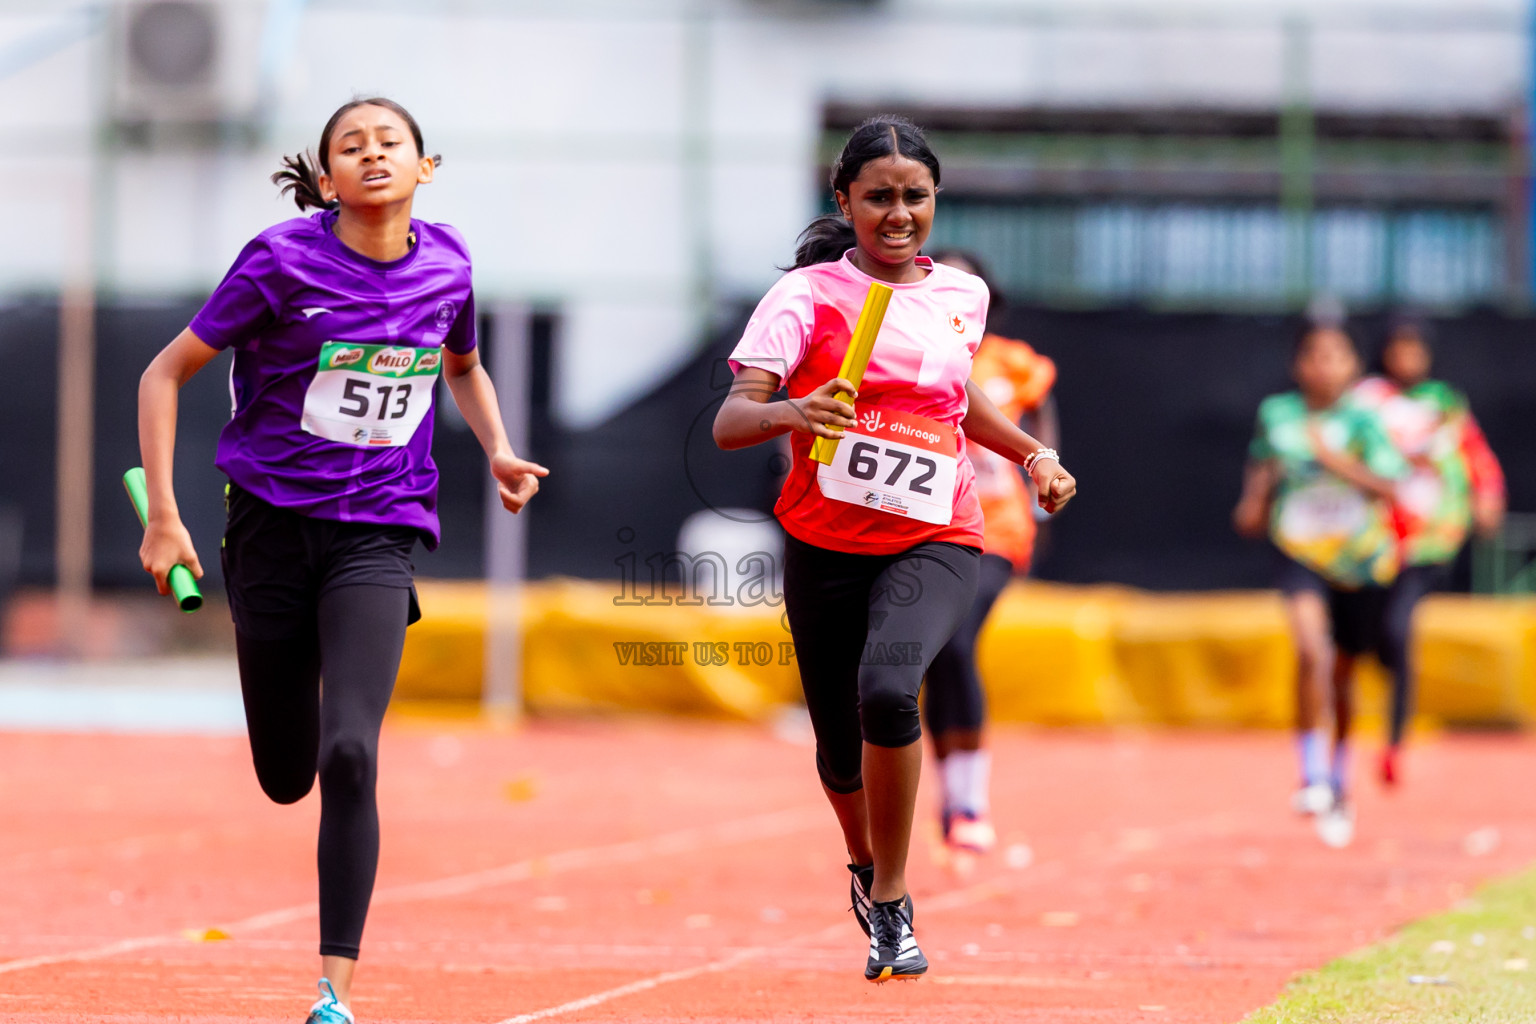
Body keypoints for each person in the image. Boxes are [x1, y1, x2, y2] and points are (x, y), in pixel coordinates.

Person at [135, 97, 547, 1024]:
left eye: (389, 142)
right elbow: (163, 372)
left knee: (352, 753)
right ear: (327, 181)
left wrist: (497, 448)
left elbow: (461, 366)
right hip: (271, 527)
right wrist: (164, 516)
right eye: (350, 147)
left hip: (379, 528)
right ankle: (298, 692)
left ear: (425, 166)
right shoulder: (279, 262)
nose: (372, 154)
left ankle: (336, 990)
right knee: (288, 775)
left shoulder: (449, 263)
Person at [713, 115, 1076, 981]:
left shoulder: (962, 296)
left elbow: (958, 400)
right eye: (879, 196)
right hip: (825, 540)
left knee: (889, 688)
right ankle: (864, 862)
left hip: (936, 534)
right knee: (839, 749)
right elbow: (731, 421)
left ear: (936, 199)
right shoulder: (804, 299)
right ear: (845, 200)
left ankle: (893, 900)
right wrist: (795, 411)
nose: (899, 213)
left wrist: (1032, 453)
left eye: (916, 196)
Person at [1233, 324, 1406, 849]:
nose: (1323, 366)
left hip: (1358, 559)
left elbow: (1390, 485)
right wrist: (1254, 501)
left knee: (1343, 673)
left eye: (1335, 356)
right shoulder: (1278, 414)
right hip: (1300, 549)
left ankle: (1338, 774)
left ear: (1352, 365)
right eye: (1313, 355)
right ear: (1298, 365)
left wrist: (1333, 461)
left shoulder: (1365, 419)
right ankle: (1309, 775)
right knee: (1311, 650)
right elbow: (1262, 468)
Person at [920, 249, 1059, 857]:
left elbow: (1042, 427)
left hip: (997, 530)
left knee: (957, 640)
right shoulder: (906, 354)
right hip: (926, 525)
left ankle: (971, 800)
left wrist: (1042, 480)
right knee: (932, 657)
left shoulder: (1015, 363)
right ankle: (951, 795)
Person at [1352, 315, 1505, 785]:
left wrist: (1487, 495)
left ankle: (1394, 742)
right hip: (1372, 539)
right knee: (1374, 636)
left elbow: (1475, 453)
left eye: (1415, 349)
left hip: (1429, 538)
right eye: (1399, 349)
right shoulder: (1366, 400)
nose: (1407, 358)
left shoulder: (1443, 402)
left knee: (1399, 629)